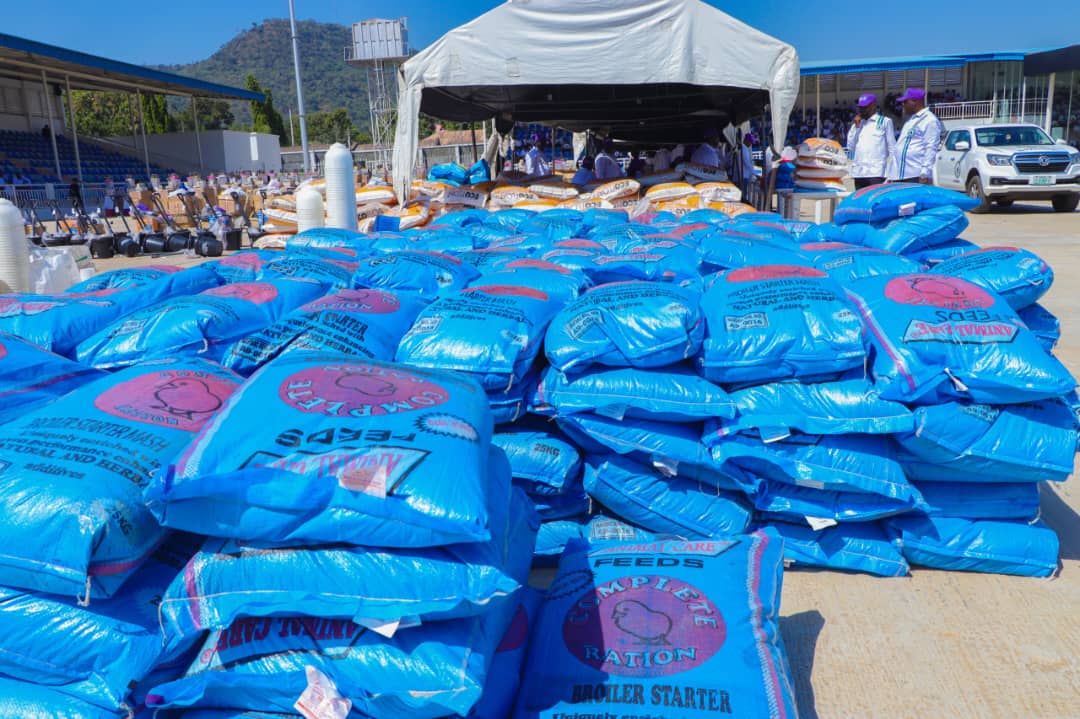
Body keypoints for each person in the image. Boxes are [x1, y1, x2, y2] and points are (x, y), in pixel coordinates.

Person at [887, 87, 944, 184]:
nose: (903, 104)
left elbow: (930, 148)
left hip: (915, 175)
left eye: (905, 102)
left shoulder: (929, 120)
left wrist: (924, 173)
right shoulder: (910, 120)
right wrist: (891, 174)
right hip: (901, 175)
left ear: (915, 102)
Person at [846, 94, 896, 189]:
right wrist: (856, 127)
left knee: (876, 198)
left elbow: (892, 148)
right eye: (860, 107)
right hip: (859, 173)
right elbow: (850, 147)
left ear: (874, 106)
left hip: (876, 173)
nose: (862, 110)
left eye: (865, 107)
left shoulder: (884, 122)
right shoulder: (857, 125)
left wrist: (892, 172)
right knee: (860, 198)